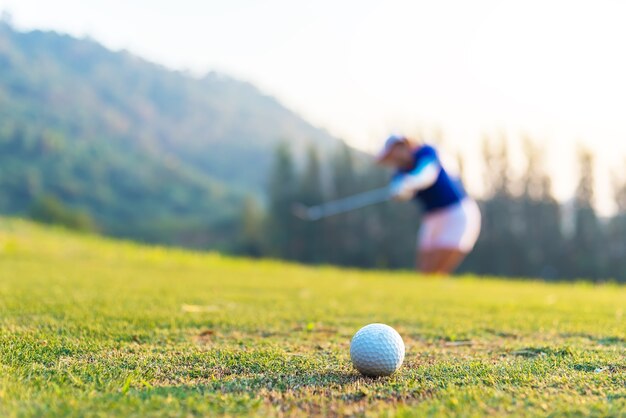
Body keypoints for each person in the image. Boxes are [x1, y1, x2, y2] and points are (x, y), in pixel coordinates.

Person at [376, 135, 481, 274]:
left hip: (456, 212)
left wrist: (408, 183)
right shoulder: (399, 174)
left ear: (405, 146)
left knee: (439, 267)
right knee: (424, 269)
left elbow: (426, 175)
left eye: (395, 151)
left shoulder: (426, 152)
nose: (394, 158)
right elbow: (403, 193)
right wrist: (400, 193)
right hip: (432, 217)